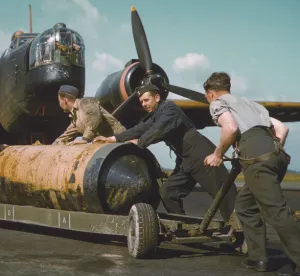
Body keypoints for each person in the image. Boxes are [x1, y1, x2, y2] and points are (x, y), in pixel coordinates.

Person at [93, 84, 239, 228]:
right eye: (142, 102)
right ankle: (183, 226)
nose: (144, 104)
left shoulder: (169, 109)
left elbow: (157, 130)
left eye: (146, 100)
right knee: (168, 192)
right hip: (184, 159)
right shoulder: (156, 115)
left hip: (200, 153)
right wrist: (112, 139)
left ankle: (242, 233)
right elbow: (140, 128)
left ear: (157, 98)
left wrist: (140, 142)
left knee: (223, 194)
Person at [203, 72, 300, 275]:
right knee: (245, 206)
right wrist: (270, 153)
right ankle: (258, 259)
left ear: (211, 94)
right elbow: (282, 129)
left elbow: (230, 128)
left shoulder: (217, 103)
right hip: (276, 154)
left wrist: (217, 153)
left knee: (276, 211)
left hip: (258, 159)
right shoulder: (251, 104)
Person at [52, 85, 126, 145]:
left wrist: (85, 139)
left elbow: (94, 119)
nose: (59, 104)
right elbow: (69, 133)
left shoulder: (86, 102)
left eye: (59, 101)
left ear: (65, 100)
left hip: (119, 139)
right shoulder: (75, 115)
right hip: (107, 142)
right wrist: (55, 144)